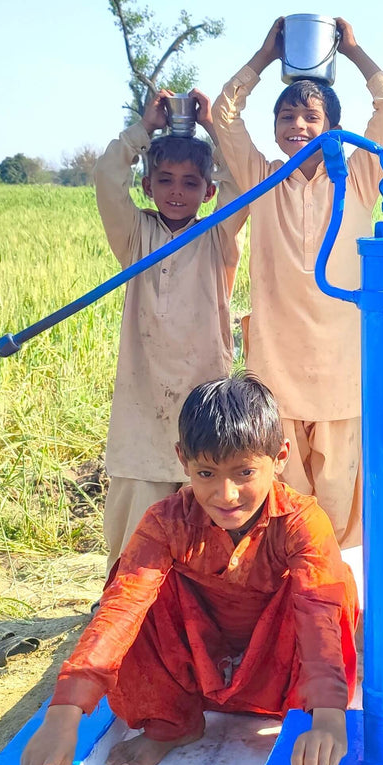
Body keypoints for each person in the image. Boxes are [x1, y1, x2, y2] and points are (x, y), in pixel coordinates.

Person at [19, 374, 359, 765]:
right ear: (182, 461)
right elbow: (121, 609)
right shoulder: (166, 521)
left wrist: (330, 716)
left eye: (244, 472)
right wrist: (64, 712)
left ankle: (302, 717)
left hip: (277, 661)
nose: (226, 494)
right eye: (206, 474)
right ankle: (171, 723)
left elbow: (318, 617)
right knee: (132, 585)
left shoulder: (300, 522)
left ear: (279, 458)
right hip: (201, 652)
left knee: (328, 588)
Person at [213, 18, 383, 549]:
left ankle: (342, 616)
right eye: (287, 115)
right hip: (277, 376)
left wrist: (358, 53)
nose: (297, 124)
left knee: (341, 512)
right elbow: (224, 115)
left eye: (311, 116)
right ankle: (292, 617)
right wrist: (264, 55)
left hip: (342, 377)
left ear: (334, 127)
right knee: (286, 514)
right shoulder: (262, 178)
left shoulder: (362, 177)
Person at [94, 89, 247, 575]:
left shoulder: (219, 231)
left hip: (201, 393)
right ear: (148, 183)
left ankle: (195, 601)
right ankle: (124, 600)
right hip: (143, 400)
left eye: (189, 182)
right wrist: (145, 129)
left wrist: (214, 129)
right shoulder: (136, 235)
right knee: (137, 511)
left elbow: (243, 181)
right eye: (164, 180)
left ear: (207, 190)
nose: (176, 191)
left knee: (202, 499)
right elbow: (104, 177)